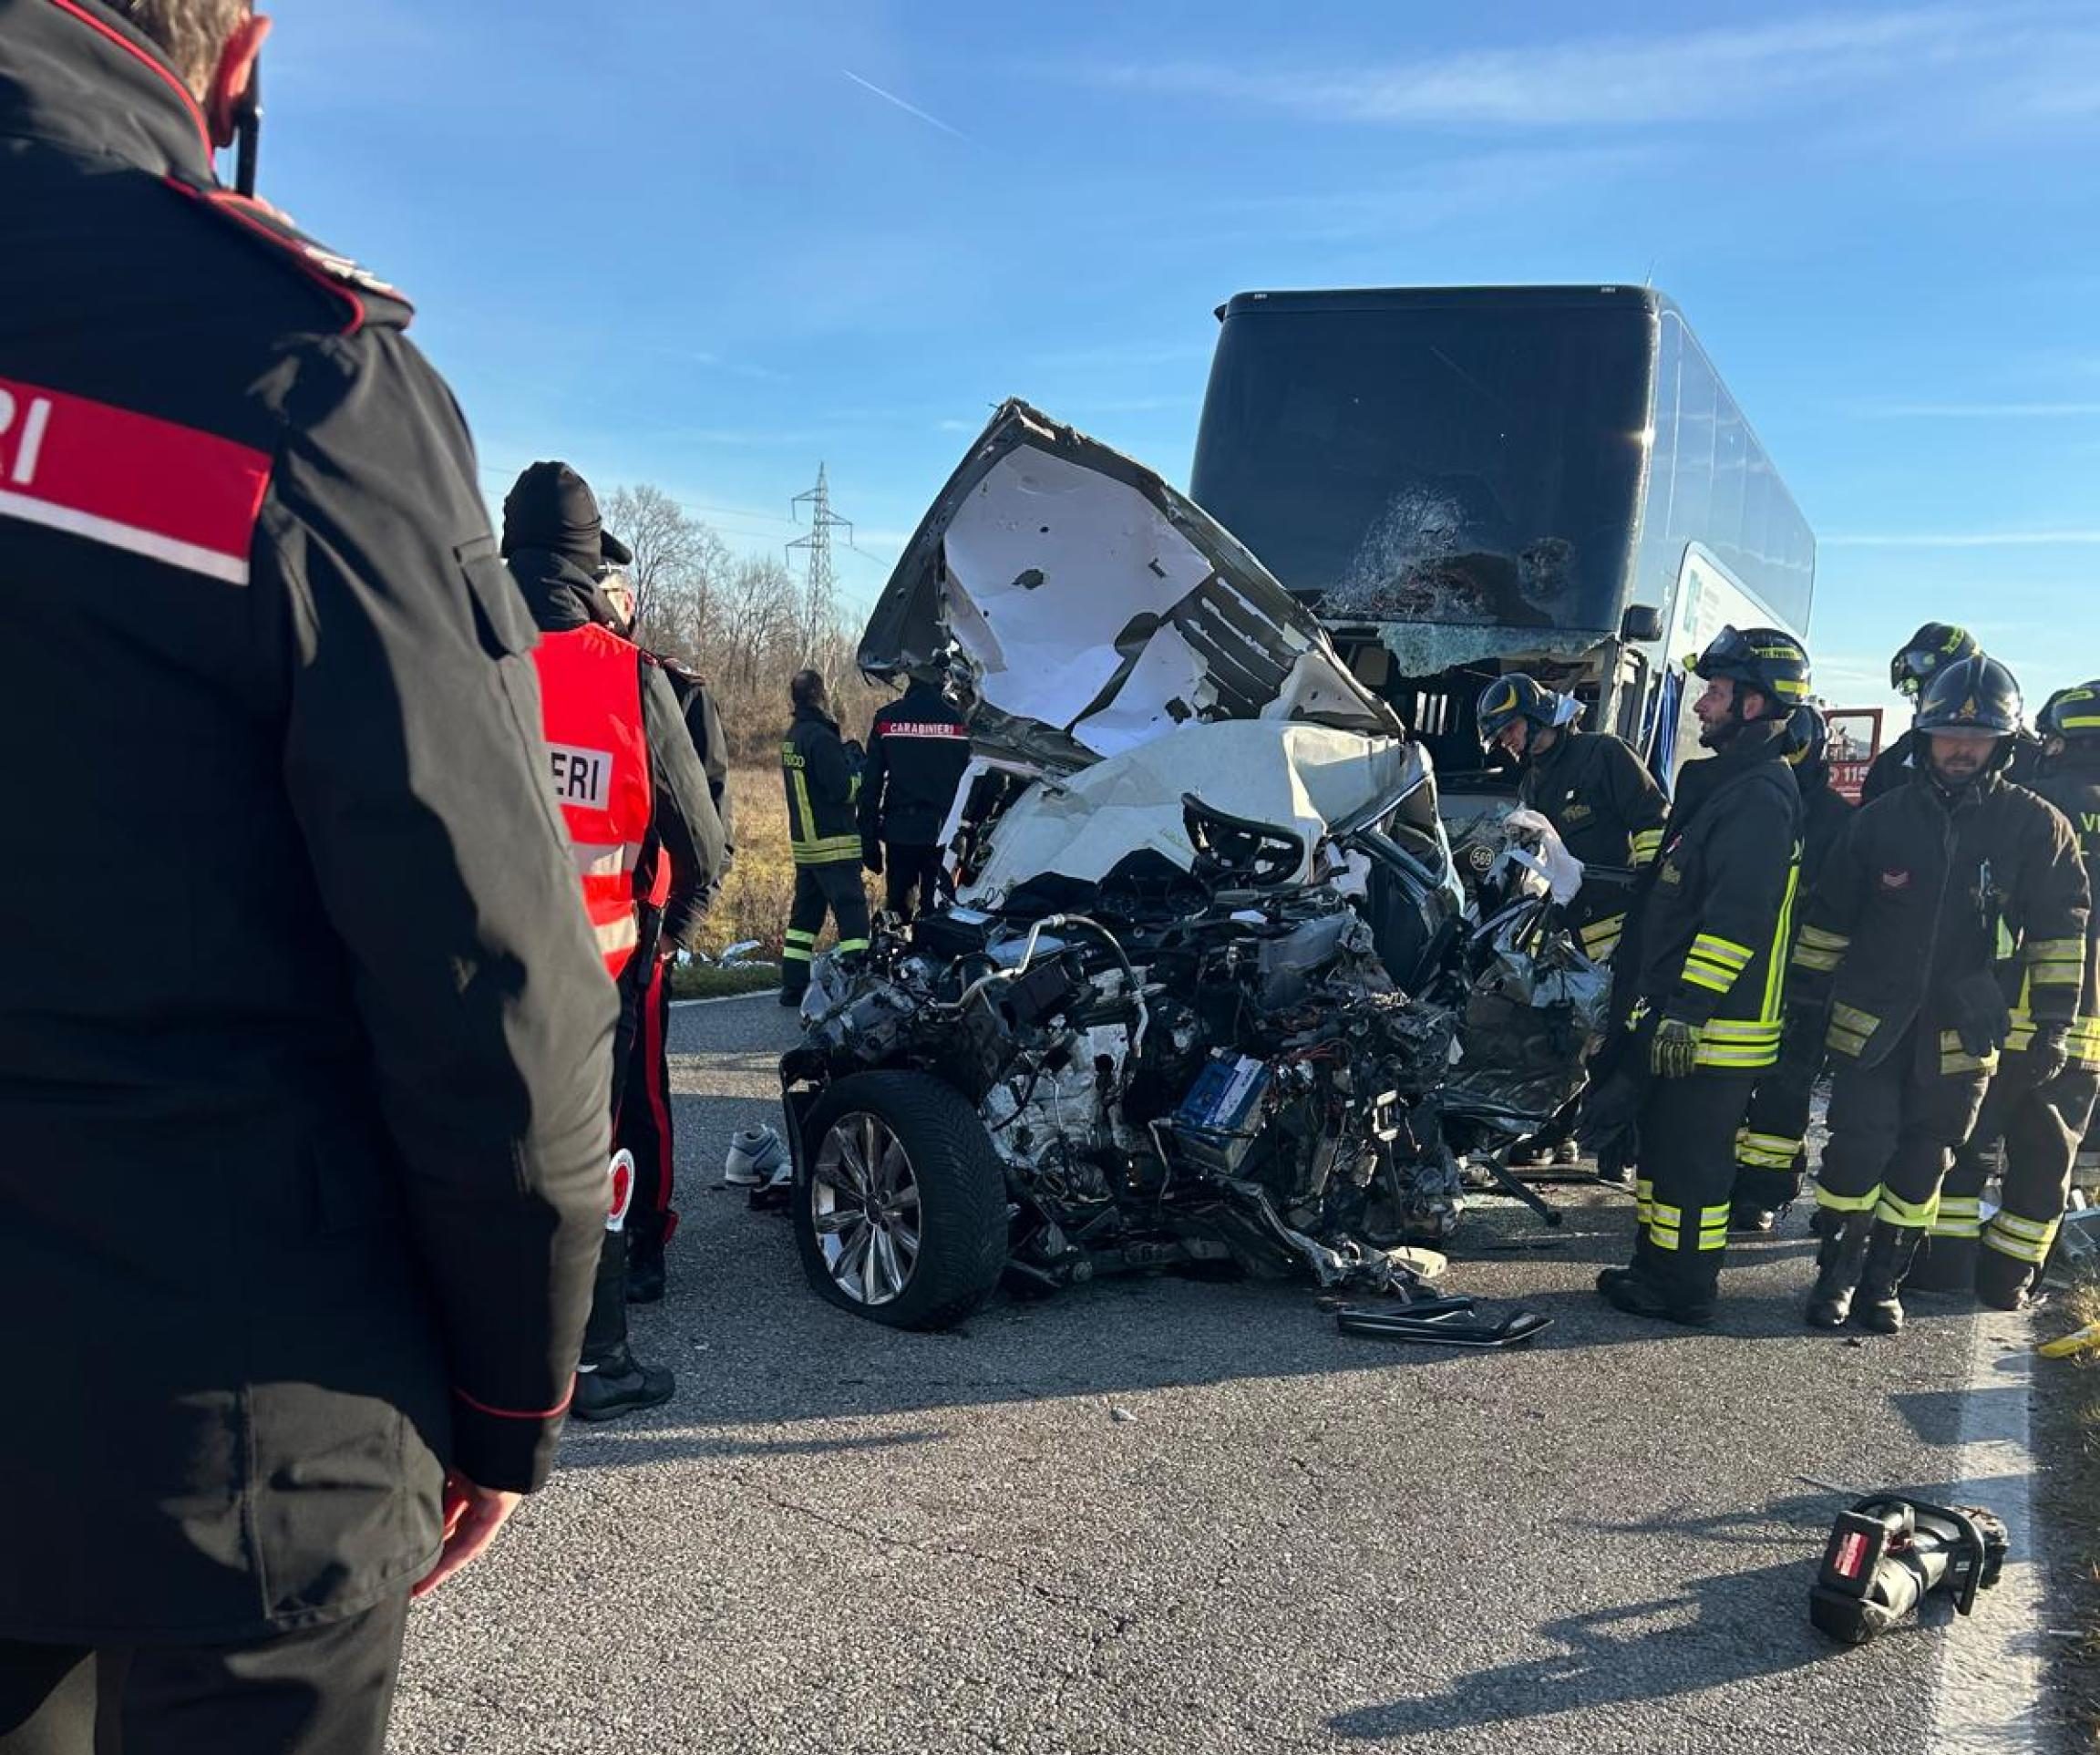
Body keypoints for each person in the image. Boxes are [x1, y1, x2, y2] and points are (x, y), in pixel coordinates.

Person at [0, 4, 615, 1748]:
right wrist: (511, 1383)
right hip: (224, 1425)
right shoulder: (287, 368)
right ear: (238, 50)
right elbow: (487, 966)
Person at [500, 461, 726, 1416]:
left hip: (447, 977)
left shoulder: (434, 654)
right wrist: (658, 939)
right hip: (596, 983)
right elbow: (706, 849)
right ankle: (594, 1364)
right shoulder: (629, 676)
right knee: (585, 1164)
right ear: (594, 564)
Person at [1792, 655, 2088, 1332]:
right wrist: (1806, 1008)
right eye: (1948, 735)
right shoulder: (1880, 819)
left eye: (1978, 736)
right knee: (1855, 1151)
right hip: (1871, 1023)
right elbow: (1829, 920)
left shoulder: (2037, 827)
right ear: (1924, 735)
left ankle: (1882, 1282)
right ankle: (1835, 1275)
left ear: (2003, 743)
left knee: (1928, 1158)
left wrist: (2052, 1026)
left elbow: (2060, 934)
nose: (1960, 748)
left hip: (1965, 1030)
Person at [1580, 628, 1811, 1326]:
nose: (1702, 704)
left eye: (1715, 692)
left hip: (1713, 1029)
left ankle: (1682, 1289)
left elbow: (1736, 920)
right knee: (1663, 1160)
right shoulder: (1725, 784)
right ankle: (1654, 1269)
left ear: (1754, 703)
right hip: (1680, 1015)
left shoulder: (1760, 797)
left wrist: (1688, 1009)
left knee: (1690, 1168)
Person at [1916, 680, 2100, 1307]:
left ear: (2061, 738)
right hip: (2086, 1027)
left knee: (1968, 1145)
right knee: (2047, 1162)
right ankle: (2009, 1283)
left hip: (2001, 1010)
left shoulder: (2033, 807)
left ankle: (1943, 1270)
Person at [596, 568, 735, 1303]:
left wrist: (677, 929)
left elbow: (713, 830)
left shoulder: (671, 690)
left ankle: (642, 1237)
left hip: (642, 936)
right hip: (557, 938)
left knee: (639, 1100)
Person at [1728, 704, 1858, 1231]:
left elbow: (1841, 906)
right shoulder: (1751, 797)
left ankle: (1762, 1191)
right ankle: (1724, 1176)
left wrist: (1816, 984)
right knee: (1730, 1083)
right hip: (1746, 965)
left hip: (1803, 978)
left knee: (1784, 1090)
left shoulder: (1834, 818)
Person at [1476, 673, 1668, 966]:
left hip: (1617, 933)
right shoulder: (1531, 783)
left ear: (1536, 715)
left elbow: (1655, 822)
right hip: (1561, 939)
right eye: (1500, 737)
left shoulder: (1604, 754)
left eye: (1510, 729)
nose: (1506, 742)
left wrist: (1646, 888)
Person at [781, 669, 871, 1005]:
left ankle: (792, 987)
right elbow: (842, 790)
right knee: (852, 916)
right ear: (821, 695)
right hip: (834, 844)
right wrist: (860, 775)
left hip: (807, 848)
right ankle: (857, 985)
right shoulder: (821, 738)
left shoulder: (794, 736)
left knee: (803, 923)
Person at [860, 662, 973, 920]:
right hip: (945, 834)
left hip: (901, 833)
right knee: (940, 913)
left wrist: (868, 841)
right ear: (944, 680)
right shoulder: (962, 722)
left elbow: (870, 786)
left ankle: (893, 955)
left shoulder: (887, 719)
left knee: (897, 916)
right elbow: (984, 780)